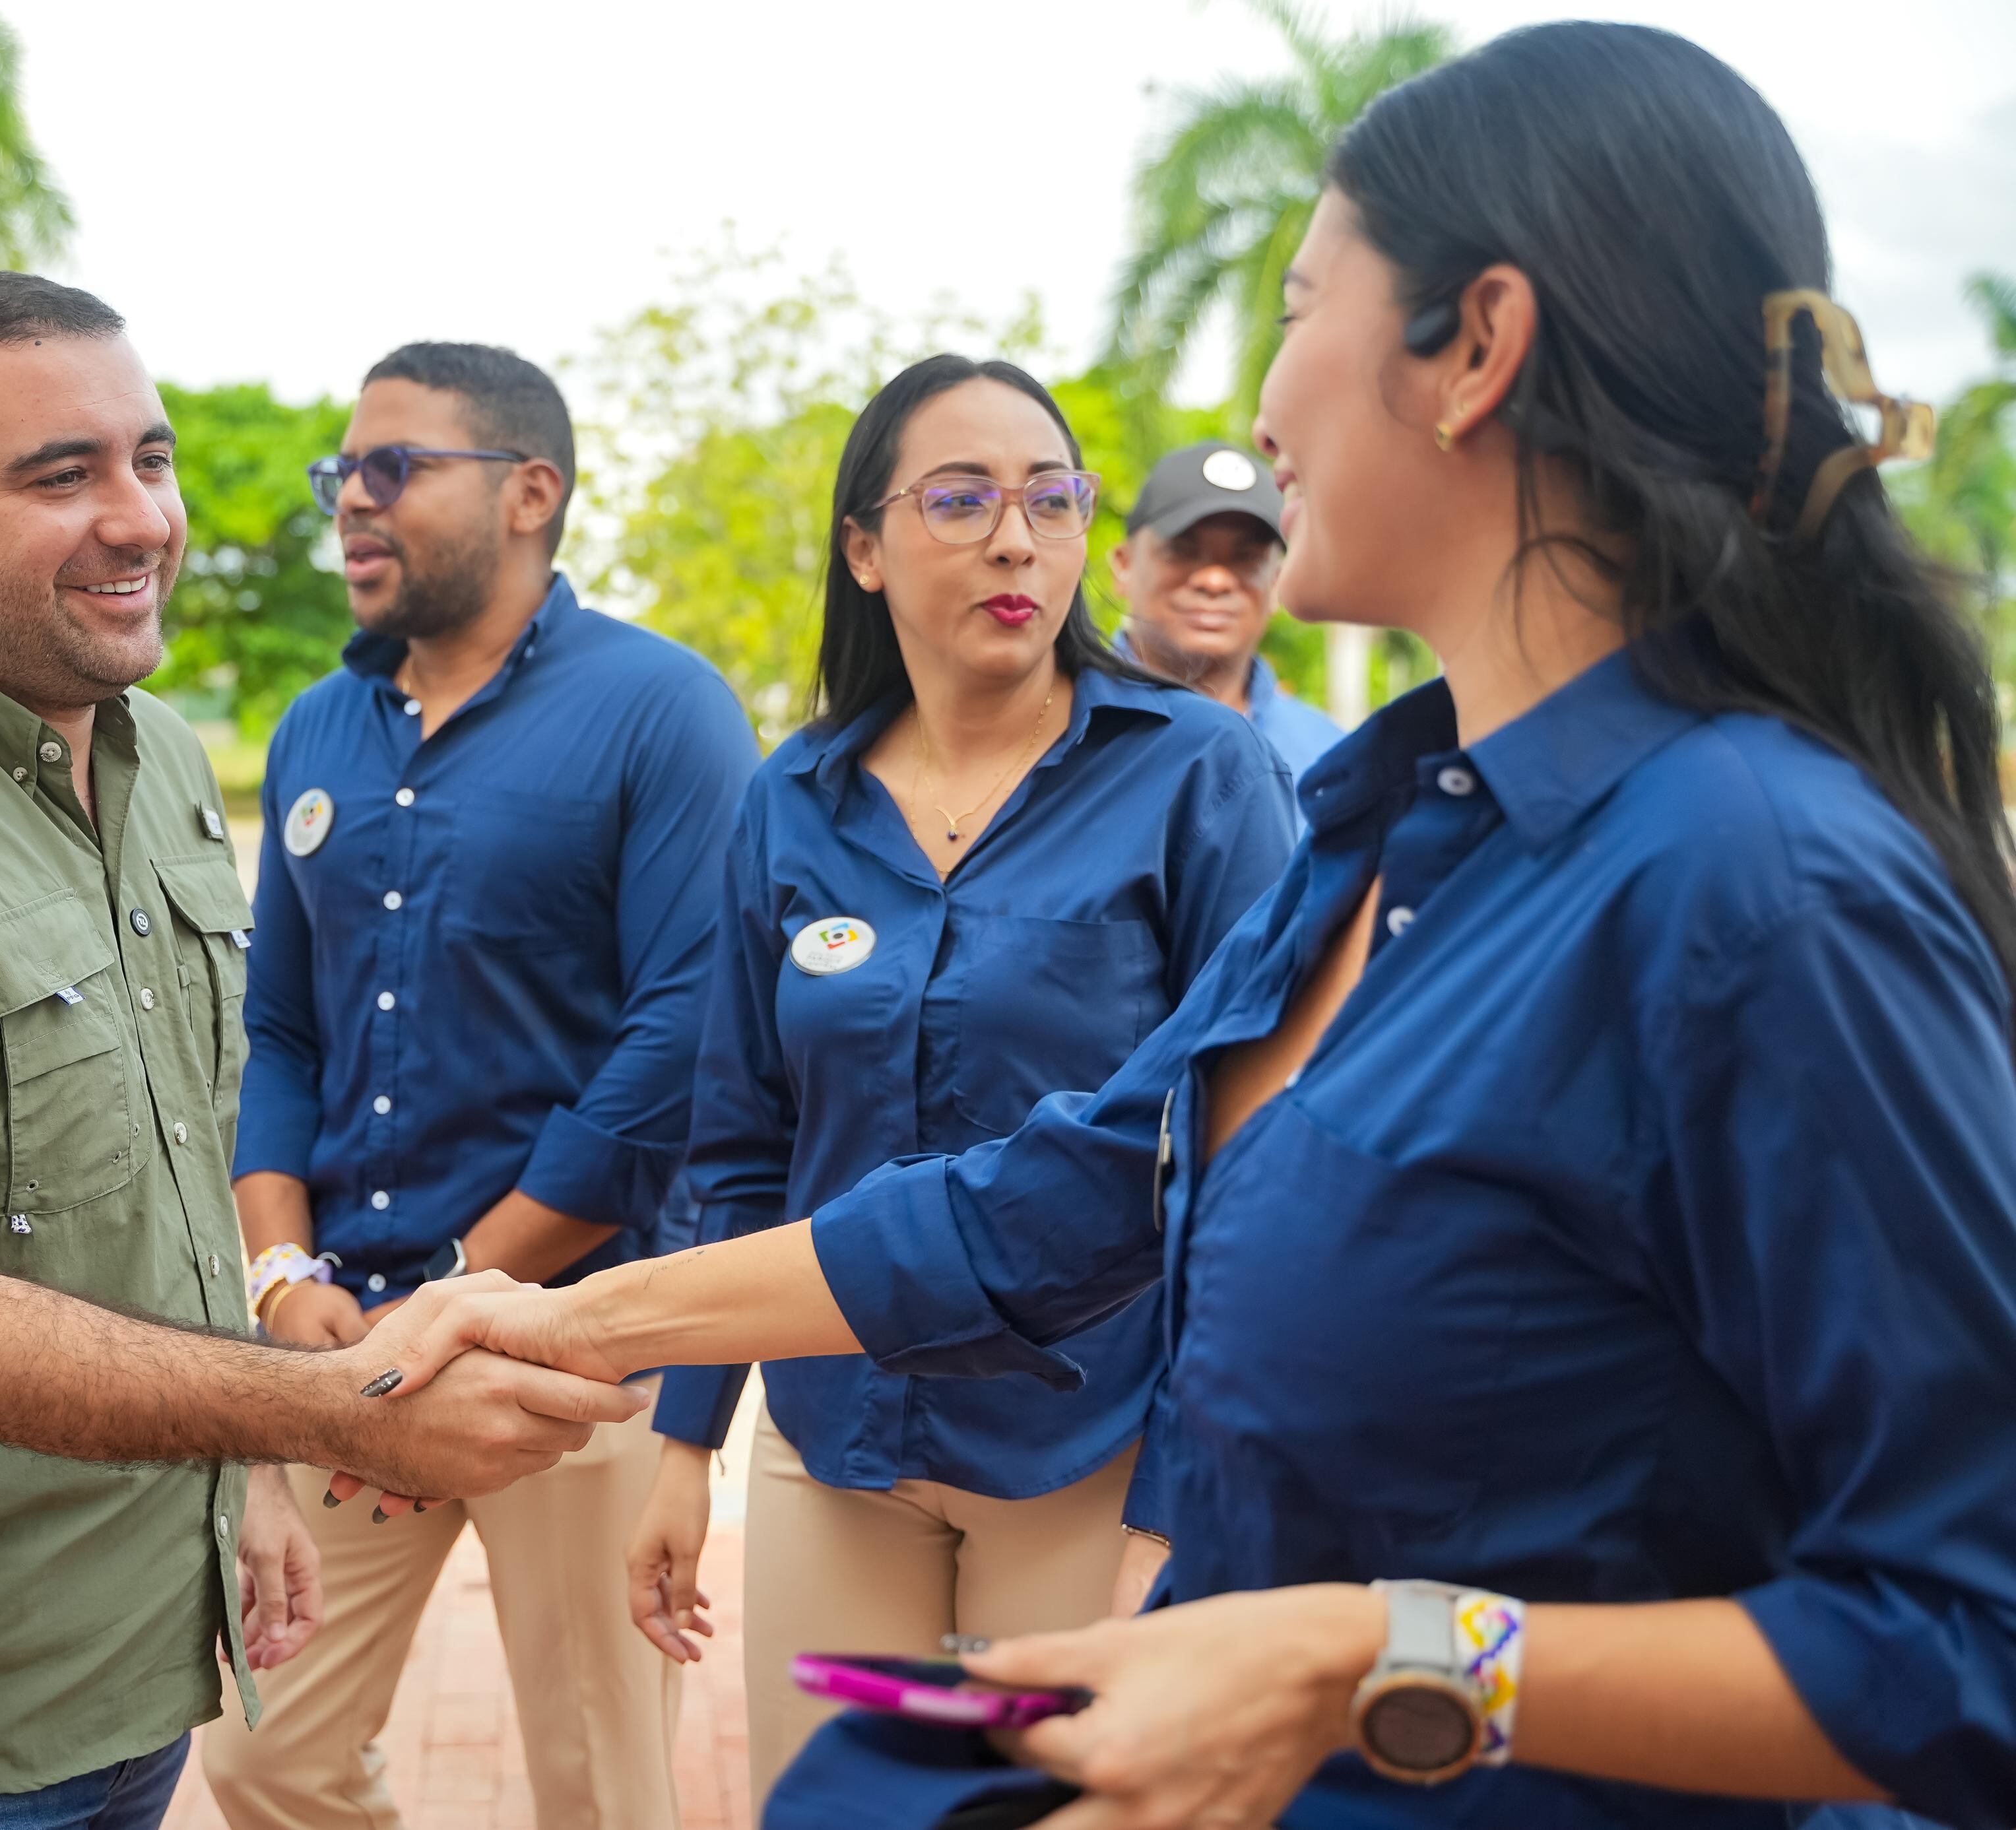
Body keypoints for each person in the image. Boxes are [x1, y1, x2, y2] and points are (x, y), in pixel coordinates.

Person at [356, 23, 2016, 1830]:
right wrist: (567, 1325)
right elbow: (1045, 1200)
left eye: (1300, 310)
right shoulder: (1381, 830)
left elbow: (1967, 1644)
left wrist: (1366, 1658)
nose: (1270, 404)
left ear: (1477, 349)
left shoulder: (1759, 880)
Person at [0, 274, 643, 1828]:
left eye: (147, 460)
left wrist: (241, 1485)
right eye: (59, 475)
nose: (137, 517)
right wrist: (323, 1404)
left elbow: (157, 1184)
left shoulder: (150, 754)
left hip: (127, 1664)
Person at [621, 355, 1293, 1799]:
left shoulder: (1198, 776)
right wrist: (687, 1442)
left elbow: (1255, 1170)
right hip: (834, 1439)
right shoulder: (786, 799)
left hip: (1092, 1450)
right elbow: (739, 1146)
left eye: (1051, 499)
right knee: (822, 1800)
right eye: (964, 498)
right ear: (862, 548)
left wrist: (1177, 1505)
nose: (1016, 538)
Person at [198, 344, 756, 1830]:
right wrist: (276, 1268)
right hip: (343, 1343)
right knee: (265, 1755)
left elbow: (679, 1044)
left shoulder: (663, 709)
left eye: (393, 467)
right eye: (343, 473)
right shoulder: (320, 726)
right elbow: (281, 1031)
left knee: (599, 1784)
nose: (351, 503)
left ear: (530, 492)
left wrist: (460, 1292)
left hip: (572, 1342)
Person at [1110, 440, 1345, 786]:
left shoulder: (1330, 761)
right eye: (1183, 551)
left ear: (1276, 584)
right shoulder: (1050, 728)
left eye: (1245, 559)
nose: (1216, 580)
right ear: (1124, 566)